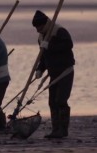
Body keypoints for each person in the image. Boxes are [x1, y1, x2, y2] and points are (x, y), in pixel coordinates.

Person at [32, 9, 75, 139]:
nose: (37, 30)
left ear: (44, 24)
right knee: (52, 101)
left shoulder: (59, 31)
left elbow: (68, 45)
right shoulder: (41, 38)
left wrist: (50, 45)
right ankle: (55, 129)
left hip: (65, 71)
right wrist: (40, 69)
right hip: (53, 73)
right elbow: (44, 56)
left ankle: (63, 130)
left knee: (61, 100)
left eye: (38, 26)